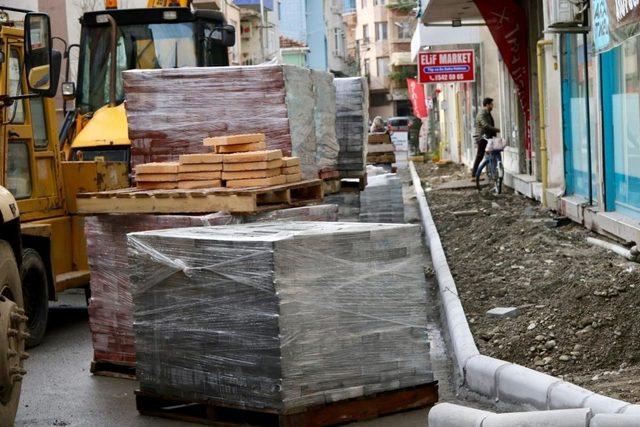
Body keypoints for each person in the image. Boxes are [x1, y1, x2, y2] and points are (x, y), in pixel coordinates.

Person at [472, 98, 500, 178]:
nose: (492, 106)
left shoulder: (487, 113)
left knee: (491, 154)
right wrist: (496, 130)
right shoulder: (482, 113)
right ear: (487, 104)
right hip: (482, 137)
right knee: (480, 155)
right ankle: (474, 174)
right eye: (491, 104)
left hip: (488, 137)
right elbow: (485, 125)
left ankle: (491, 173)